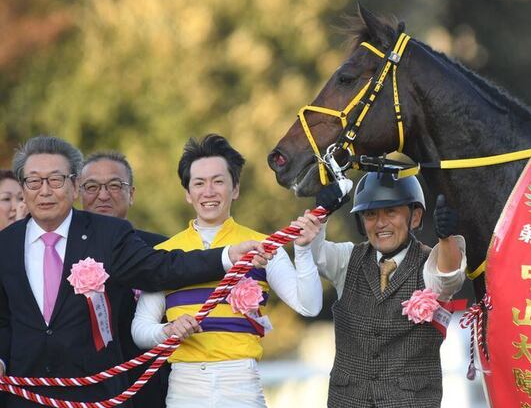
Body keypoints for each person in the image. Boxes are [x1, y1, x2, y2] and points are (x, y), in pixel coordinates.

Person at [0, 135, 264, 408]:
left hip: (97, 395)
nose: (44, 190)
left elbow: (163, 268)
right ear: (23, 186)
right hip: (24, 395)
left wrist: (226, 255)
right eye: (34, 181)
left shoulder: (107, 234)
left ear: (75, 185)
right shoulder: (5, 245)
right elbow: (3, 319)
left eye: (56, 180)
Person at [132, 134, 322, 408]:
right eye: (199, 183)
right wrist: (168, 329)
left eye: (218, 181)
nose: (209, 192)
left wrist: (303, 250)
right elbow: (140, 329)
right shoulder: (165, 253)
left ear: (235, 189)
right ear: (187, 193)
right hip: (184, 387)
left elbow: (309, 306)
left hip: (241, 384)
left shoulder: (264, 246)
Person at [292, 172, 465, 408]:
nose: (381, 223)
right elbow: (315, 254)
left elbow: (448, 278)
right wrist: (321, 214)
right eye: (371, 214)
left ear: (415, 217)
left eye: (391, 212)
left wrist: (447, 239)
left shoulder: (430, 264)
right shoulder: (348, 260)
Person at [78, 151, 169, 408]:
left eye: (115, 185)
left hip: (153, 385)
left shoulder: (160, 248)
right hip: (88, 389)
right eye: (92, 186)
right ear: (79, 193)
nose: (103, 195)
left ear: (132, 193)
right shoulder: (66, 252)